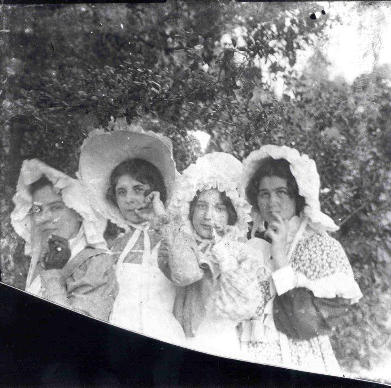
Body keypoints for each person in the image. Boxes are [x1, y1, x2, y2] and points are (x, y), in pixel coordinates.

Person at [239, 145, 363, 374]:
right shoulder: (251, 246)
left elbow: (306, 321)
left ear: (297, 197)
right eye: (264, 193)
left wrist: (281, 258)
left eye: (281, 192)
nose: (271, 202)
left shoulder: (320, 245)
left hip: (299, 360)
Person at [78, 122, 185, 343]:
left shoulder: (172, 236)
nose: (130, 199)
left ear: (155, 192)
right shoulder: (114, 246)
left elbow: (186, 276)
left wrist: (163, 222)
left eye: (138, 189)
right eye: (122, 192)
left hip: (163, 336)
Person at [166, 152, 263, 358]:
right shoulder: (183, 244)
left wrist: (223, 254)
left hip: (218, 342)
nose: (208, 216)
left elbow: (244, 304)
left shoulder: (241, 252)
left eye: (219, 208)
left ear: (231, 214)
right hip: (176, 338)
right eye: (201, 206)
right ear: (190, 210)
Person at [10, 159, 118, 321]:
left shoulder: (96, 263)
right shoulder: (43, 261)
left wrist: (53, 275)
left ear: (79, 213)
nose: (44, 218)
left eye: (56, 207)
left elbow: (76, 333)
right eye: (37, 209)